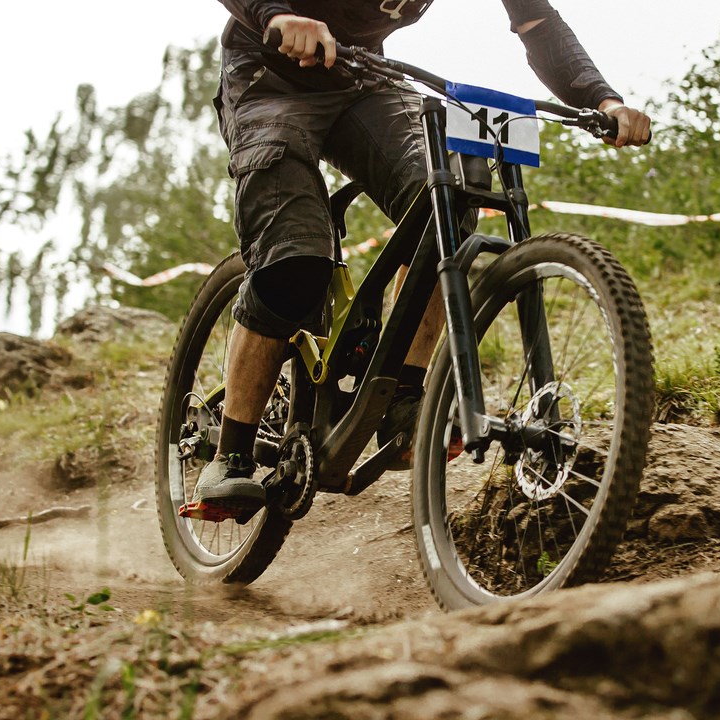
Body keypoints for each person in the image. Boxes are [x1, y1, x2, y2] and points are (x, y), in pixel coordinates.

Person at [185, 0, 652, 521]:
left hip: (361, 80)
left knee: (447, 200)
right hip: (266, 78)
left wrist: (603, 100)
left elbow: (540, 25)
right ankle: (232, 451)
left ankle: (403, 396)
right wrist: (276, 15)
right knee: (295, 260)